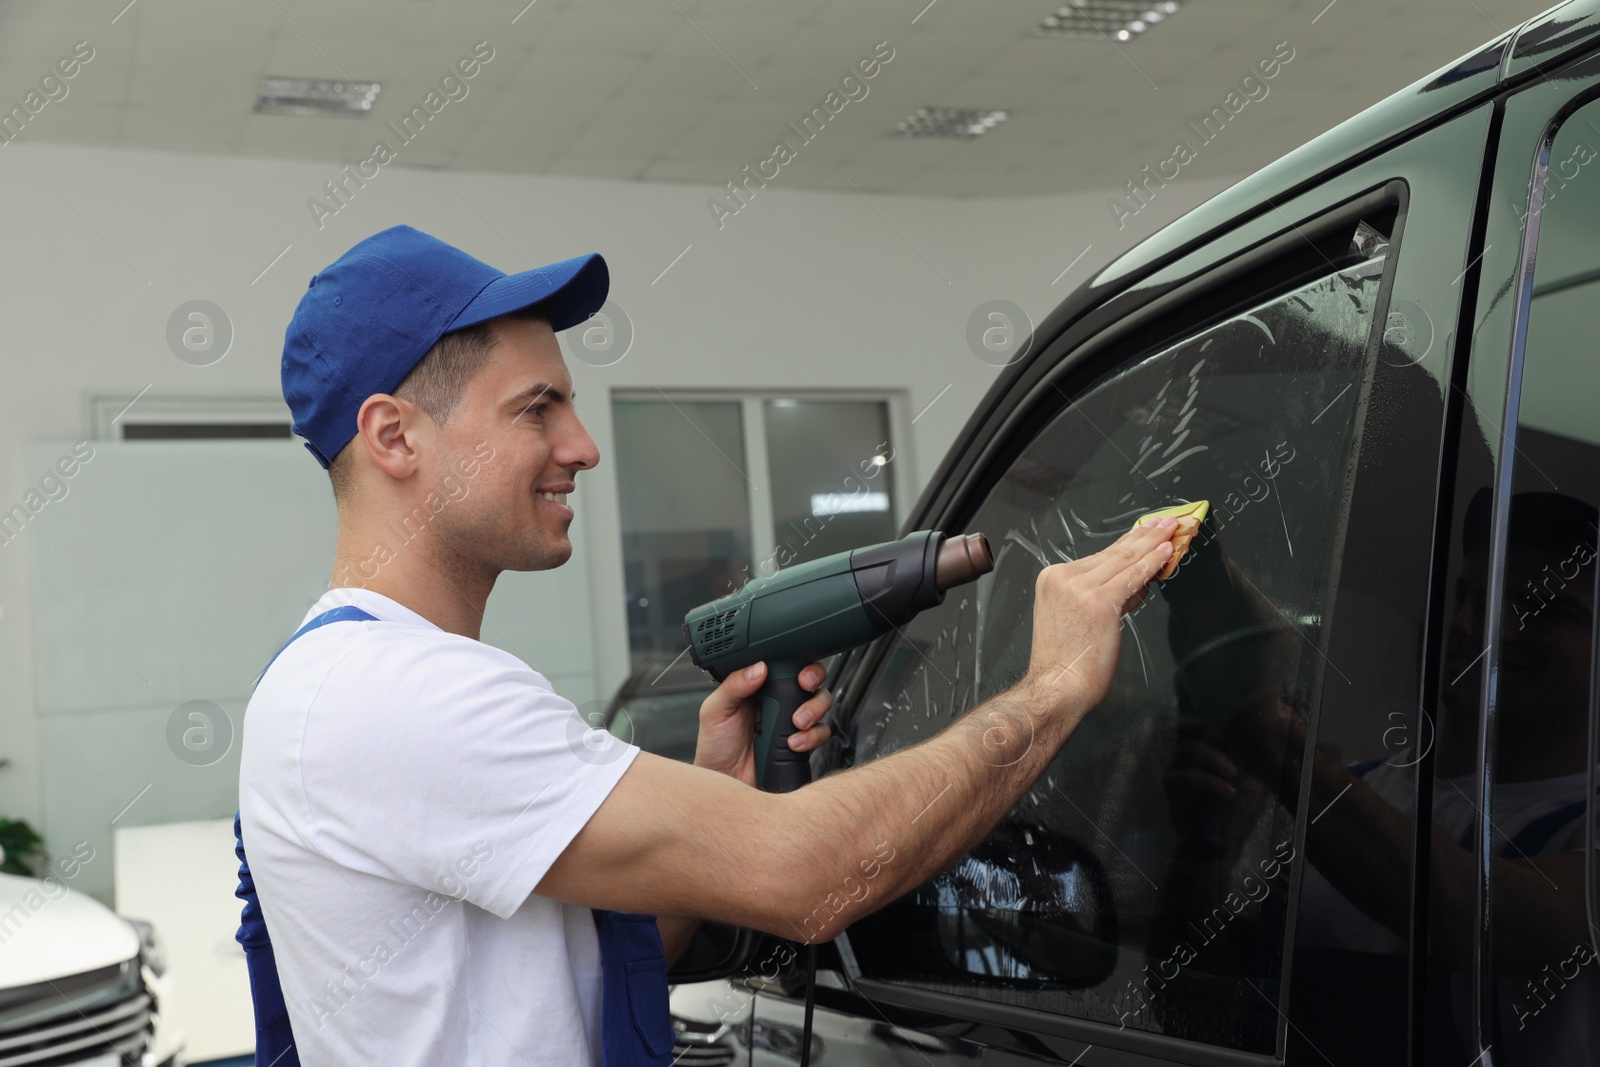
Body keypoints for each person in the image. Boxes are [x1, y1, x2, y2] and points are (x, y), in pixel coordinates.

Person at [237, 223, 1181, 1066]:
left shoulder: (361, 680)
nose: (582, 445)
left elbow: (571, 975)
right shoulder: (395, 695)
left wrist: (718, 808)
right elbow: (809, 876)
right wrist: (1054, 684)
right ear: (395, 437)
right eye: (537, 409)